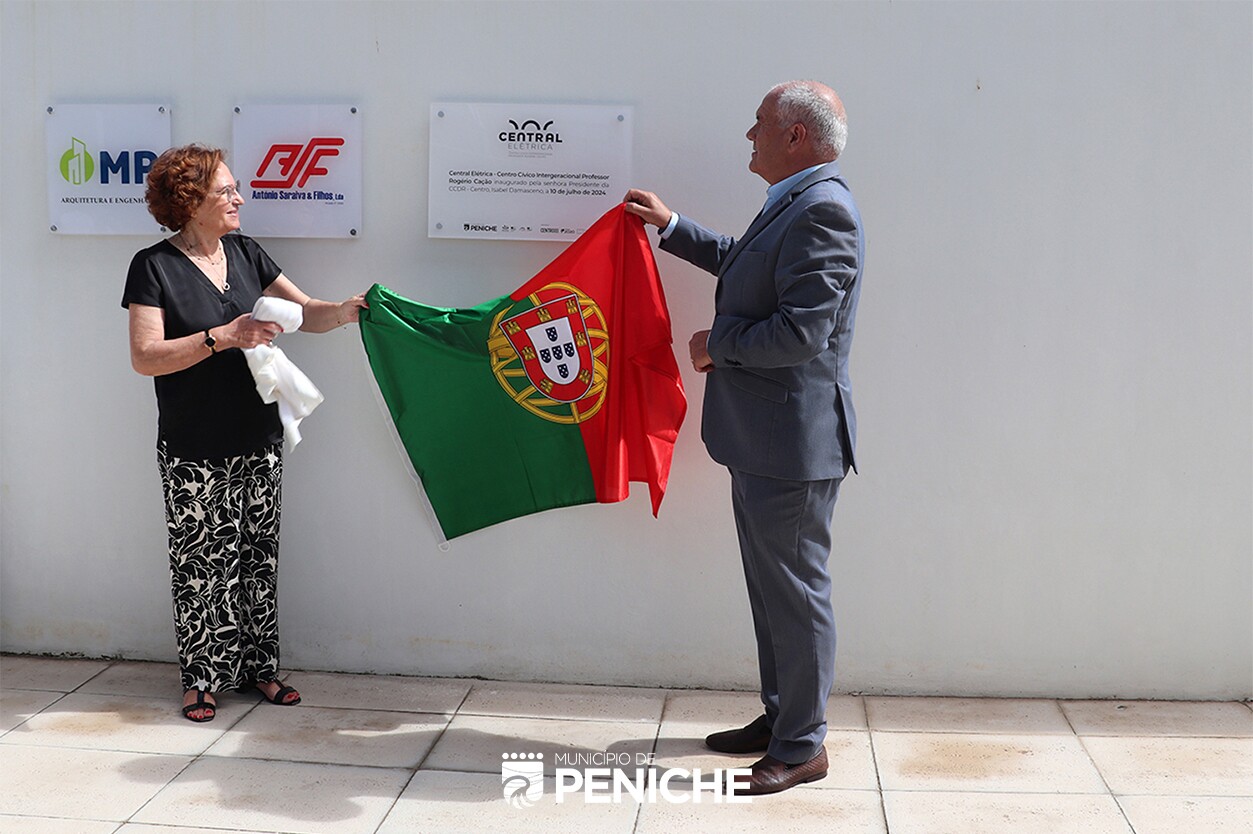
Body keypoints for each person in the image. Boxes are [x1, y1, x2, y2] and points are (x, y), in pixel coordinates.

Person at [624, 80, 864, 795]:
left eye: (760, 123)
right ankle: (780, 717)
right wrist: (673, 227)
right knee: (771, 592)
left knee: (794, 594)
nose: (748, 134)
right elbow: (747, 262)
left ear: (796, 135)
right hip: (765, 438)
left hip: (792, 443)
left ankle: (801, 746)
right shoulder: (796, 200)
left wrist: (714, 344)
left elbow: (801, 332)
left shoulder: (824, 210)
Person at [122, 144, 367, 722]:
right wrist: (221, 337)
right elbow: (144, 356)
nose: (239, 198)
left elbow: (307, 312)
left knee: (256, 557)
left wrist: (353, 309)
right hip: (193, 442)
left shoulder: (247, 252)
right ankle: (201, 678)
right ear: (190, 201)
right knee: (202, 562)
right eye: (225, 191)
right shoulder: (152, 267)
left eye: (235, 189)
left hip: (258, 435)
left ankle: (259, 667)